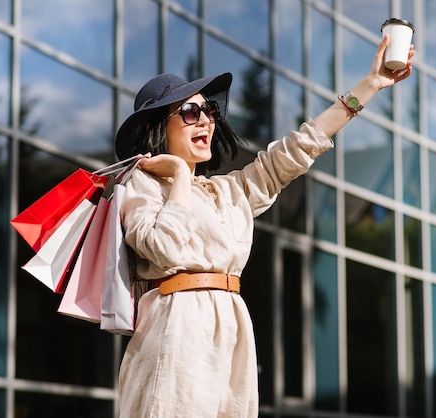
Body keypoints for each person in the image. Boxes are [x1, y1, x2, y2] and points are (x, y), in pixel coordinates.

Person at [114, 34, 414, 417]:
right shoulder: (142, 184)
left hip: (232, 330)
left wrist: (370, 85)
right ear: (159, 128)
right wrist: (177, 173)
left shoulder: (228, 191)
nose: (205, 119)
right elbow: (165, 247)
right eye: (190, 112)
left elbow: (299, 148)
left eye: (208, 111)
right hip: (176, 328)